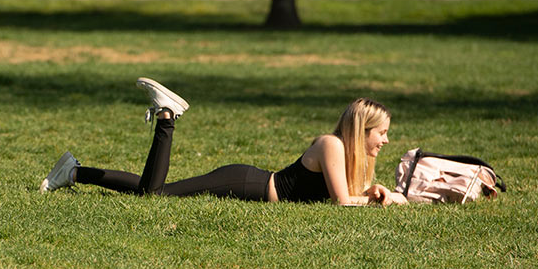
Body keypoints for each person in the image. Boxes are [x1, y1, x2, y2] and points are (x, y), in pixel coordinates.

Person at [41, 78, 407, 206]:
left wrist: (382, 194)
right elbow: (343, 202)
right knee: (155, 196)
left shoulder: (346, 153)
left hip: (252, 183)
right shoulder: (332, 145)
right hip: (246, 183)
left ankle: (74, 172)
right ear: (362, 131)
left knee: (152, 191)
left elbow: (350, 196)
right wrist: (383, 202)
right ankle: (166, 118)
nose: (386, 140)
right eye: (382, 133)